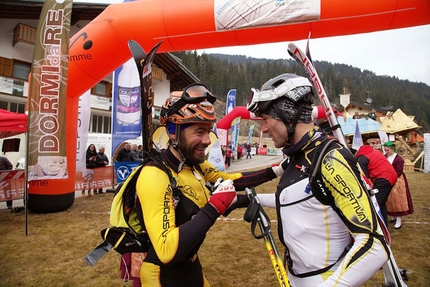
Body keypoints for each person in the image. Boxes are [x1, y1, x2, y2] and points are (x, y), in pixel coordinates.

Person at [242, 73, 389, 286]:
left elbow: (374, 245)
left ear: (287, 114)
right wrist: (250, 199)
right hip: (295, 276)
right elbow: (302, 201)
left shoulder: (330, 159)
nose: (263, 129)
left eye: (265, 120)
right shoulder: (297, 155)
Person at [135, 83, 287, 287]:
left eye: (209, 131)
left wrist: (275, 171)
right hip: (164, 277)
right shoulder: (155, 175)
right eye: (199, 132)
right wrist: (215, 206)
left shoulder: (193, 165)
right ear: (173, 131)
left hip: (192, 268)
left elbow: (230, 181)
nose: (207, 141)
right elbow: (166, 250)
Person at [356, 143, 397, 225]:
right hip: (391, 175)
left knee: (375, 204)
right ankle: (384, 223)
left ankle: (379, 225)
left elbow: (364, 177)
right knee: (381, 203)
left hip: (383, 179)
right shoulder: (375, 152)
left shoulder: (362, 158)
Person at [383, 141, 414, 229]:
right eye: (385, 150)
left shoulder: (399, 159)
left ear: (392, 149)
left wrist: (391, 177)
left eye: (387, 150)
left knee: (397, 199)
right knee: (389, 199)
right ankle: (393, 216)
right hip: (388, 179)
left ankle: (399, 220)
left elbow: (399, 171)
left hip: (397, 180)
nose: (386, 152)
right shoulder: (385, 157)